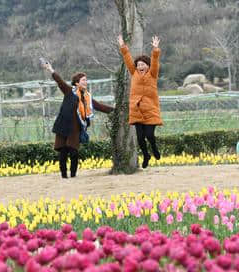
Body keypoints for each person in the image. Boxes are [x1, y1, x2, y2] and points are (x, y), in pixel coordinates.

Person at [42, 60, 113, 178]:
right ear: (76, 83)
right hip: (63, 126)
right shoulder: (70, 92)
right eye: (83, 80)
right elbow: (60, 82)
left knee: (74, 152)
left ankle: (73, 175)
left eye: (86, 80)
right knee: (63, 152)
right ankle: (64, 175)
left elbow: (99, 106)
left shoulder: (87, 97)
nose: (86, 82)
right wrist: (51, 70)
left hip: (75, 129)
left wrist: (116, 110)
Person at [117, 35, 163, 169]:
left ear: (147, 66)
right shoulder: (134, 73)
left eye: (143, 65)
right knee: (140, 137)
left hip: (150, 110)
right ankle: (146, 155)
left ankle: (154, 149)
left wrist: (155, 48)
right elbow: (128, 59)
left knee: (149, 135)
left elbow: (155, 61)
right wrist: (122, 46)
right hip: (136, 110)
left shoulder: (152, 74)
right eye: (138, 65)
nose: (140, 66)